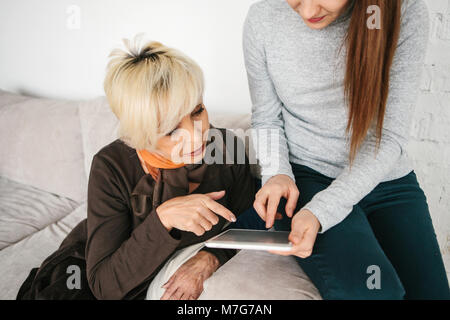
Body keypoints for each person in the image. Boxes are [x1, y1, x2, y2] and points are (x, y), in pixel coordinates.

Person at [17, 38, 255, 300]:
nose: (197, 137)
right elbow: (104, 287)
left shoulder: (226, 149)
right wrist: (163, 220)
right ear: (141, 134)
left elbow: (247, 223)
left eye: (197, 111)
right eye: (170, 129)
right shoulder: (111, 166)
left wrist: (210, 257)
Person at [242, 0, 450, 299]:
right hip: (309, 177)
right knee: (375, 292)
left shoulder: (405, 11)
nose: (308, 11)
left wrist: (323, 211)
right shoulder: (263, 17)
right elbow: (266, 116)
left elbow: (389, 136)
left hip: (385, 178)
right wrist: (276, 174)